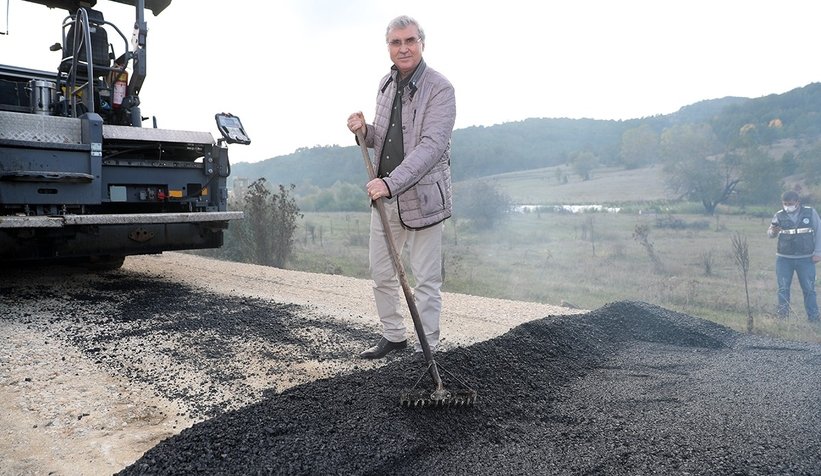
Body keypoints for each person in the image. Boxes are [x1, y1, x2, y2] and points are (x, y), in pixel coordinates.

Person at [346, 15, 456, 359]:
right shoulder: (386, 84)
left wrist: (389, 184)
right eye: (396, 42)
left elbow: (429, 147)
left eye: (410, 41)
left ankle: (429, 350)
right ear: (388, 47)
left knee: (425, 282)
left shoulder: (440, 89)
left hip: (422, 199)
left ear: (422, 43)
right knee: (381, 273)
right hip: (386, 197)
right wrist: (365, 131)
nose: (403, 48)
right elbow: (390, 139)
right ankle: (394, 336)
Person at [767, 190, 821, 322]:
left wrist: (818, 252)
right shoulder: (779, 215)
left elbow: (819, 231)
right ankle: (783, 319)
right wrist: (772, 232)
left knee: (809, 289)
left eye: (790, 203)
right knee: (783, 289)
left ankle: (814, 319)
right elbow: (770, 233)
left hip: (806, 259)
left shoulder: (810, 212)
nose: (787, 206)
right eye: (785, 203)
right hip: (784, 259)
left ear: (797, 202)